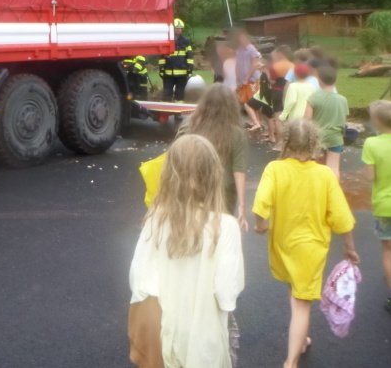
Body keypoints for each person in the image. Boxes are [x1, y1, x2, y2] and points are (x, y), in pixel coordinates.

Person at [130, 135, 244, 368]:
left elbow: (139, 279)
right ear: (214, 175)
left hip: (163, 335)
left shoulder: (156, 220)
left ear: (169, 175)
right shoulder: (225, 227)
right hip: (204, 341)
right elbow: (226, 294)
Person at [253, 120, 358, 368]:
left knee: (296, 292)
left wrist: (260, 225)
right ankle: (291, 361)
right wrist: (349, 247)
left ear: (285, 140)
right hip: (311, 249)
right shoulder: (325, 175)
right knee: (302, 303)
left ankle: (299, 343)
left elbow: (260, 204)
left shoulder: (275, 169)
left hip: (284, 244)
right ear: (315, 143)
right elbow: (342, 217)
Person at [179, 84, 249, 231]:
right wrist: (242, 207)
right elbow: (239, 170)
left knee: (193, 228)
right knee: (218, 231)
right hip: (223, 193)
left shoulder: (190, 125)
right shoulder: (236, 133)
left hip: (193, 186)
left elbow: (179, 155)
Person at [362, 100, 391, 314]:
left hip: (384, 205)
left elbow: (370, 176)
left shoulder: (372, 144)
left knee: (388, 251)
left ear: (376, 122)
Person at [305, 66, 349, 178]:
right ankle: (333, 191)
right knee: (334, 167)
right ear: (335, 80)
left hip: (317, 136)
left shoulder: (313, 98)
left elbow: (307, 120)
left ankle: (317, 188)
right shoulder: (342, 99)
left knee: (314, 165)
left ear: (319, 80)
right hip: (335, 137)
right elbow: (343, 122)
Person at [159, 18, 194, 102]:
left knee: (180, 95)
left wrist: (189, 69)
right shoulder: (166, 40)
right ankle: (165, 112)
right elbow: (162, 56)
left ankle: (178, 114)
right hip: (168, 73)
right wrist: (161, 69)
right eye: (176, 28)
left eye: (179, 28)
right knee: (167, 94)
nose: (178, 30)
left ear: (182, 29)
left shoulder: (186, 41)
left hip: (182, 73)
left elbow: (189, 56)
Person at [234, 31, 261, 130]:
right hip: (242, 80)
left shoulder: (252, 49)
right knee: (246, 101)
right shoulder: (239, 50)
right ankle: (255, 121)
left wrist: (247, 77)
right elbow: (237, 65)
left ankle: (256, 122)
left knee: (249, 102)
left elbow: (255, 64)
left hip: (251, 80)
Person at [278, 63, 317, 131]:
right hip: (308, 117)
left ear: (295, 74)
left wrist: (283, 116)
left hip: (295, 119)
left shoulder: (293, 86)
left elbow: (291, 101)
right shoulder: (312, 87)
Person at [246, 56, 275, 141]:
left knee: (248, 104)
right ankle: (271, 136)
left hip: (266, 96)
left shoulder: (266, 71)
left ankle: (258, 124)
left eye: (259, 62)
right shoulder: (263, 71)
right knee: (268, 116)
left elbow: (270, 82)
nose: (256, 64)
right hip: (264, 96)